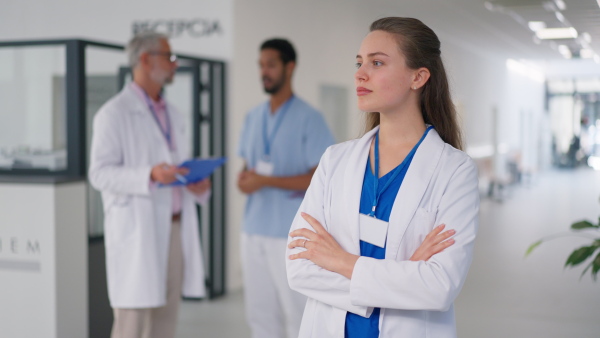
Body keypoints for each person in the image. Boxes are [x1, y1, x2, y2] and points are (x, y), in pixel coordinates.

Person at [286, 17, 479, 338]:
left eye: (377, 63)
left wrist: (339, 260)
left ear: (418, 77)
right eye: (360, 62)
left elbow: (439, 287)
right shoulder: (335, 161)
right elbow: (299, 268)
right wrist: (402, 278)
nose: (360, 73)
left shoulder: (454, 170)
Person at [89, 32, 211, 338]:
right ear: (145, 60)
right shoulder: (113, 114)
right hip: (138, 232)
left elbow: (175, 165)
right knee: (132, 323)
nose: (174, 64)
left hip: (174, 229)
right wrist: (149, 175)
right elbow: (99, 173)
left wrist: (194, 182)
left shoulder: (174, 114)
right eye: (168, 57)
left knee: (165, 320)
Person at [237, 38, 335, 338]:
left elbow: (321, 176)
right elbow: (246, 169)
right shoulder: (253, 117)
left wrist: (266, 181)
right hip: (253, 230)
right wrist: (245, 180)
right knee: (259, 314)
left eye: (271, 64)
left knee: (297, 313)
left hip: (291, 233)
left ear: (289, 67)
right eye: (260, 65)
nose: (264, 71)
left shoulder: (310, 118)